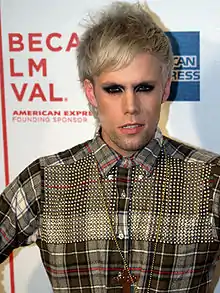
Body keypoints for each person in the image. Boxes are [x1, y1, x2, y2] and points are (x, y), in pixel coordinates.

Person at [0, 1, 220, 292]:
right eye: (114, 89)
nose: (131, 107)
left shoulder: (211, 179)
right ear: (91, 92)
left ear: (165, 88)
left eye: (144, 88)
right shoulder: (46, 180)